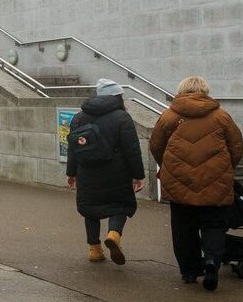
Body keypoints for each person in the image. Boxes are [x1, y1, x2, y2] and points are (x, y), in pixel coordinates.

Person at [149, 76, 243, 290]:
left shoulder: (168, 117)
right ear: (205, 92)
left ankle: (189, 271)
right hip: (215, 181)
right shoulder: (222, 117)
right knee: (213, 225)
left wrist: (169, 167)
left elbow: (156, 146)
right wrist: (224, 169)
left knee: (183, 227)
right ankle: (211, 263)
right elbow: (237, 147)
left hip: (178, 181)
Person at [66, 79, 144, 265]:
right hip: (117, 172)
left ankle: (94, 250)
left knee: (90, 210)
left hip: (87, 172)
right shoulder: (122, 117)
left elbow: (72, 148)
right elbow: (131, 149)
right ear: (118, 96)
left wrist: (71, 173)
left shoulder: (79, 117)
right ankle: (114, 235)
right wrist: (138, 175)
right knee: (119, 205)